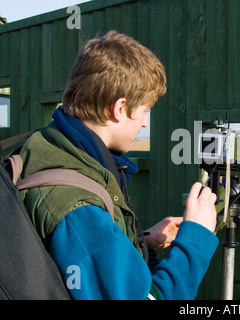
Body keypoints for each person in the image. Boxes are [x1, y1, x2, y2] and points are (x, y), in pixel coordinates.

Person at [18, 31, 218, 300]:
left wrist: (142, 240)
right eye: (145, 110)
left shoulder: (49, 147)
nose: (145, 123)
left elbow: (73, 255)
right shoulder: (77, 208)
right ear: (120, 108)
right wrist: (197, 237)